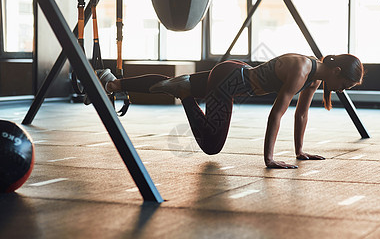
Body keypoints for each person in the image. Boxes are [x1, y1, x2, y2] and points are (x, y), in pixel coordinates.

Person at [90, 53, 364, 169]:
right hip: (230, 80)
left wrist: (299, 151)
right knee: (211, 145)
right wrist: (269, 158)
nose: (343, 89)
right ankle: (185, 94)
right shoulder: (302, 69)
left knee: (169, 84)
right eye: (345, 84)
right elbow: (276, 113)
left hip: (231, 72)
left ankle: (111, 82)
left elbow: (301, 114)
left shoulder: (315, 76)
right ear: (336, 71)